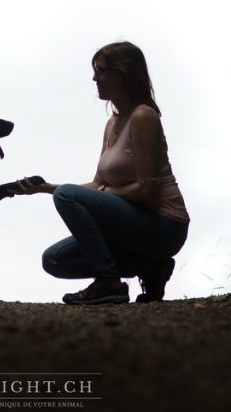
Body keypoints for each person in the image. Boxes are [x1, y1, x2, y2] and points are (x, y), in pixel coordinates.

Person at [14, 42, 190, 305]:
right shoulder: (112, 124)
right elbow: (98, 184)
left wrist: (94, 194)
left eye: (101, 71)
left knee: (66, 196)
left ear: (124, 73)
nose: (95, 78)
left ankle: (109, 284)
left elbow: (148, 188)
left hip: (163, 226)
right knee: (54, 260)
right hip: (132, 225)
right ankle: (150, 267)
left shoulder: (144, 117)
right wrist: (47, 187)